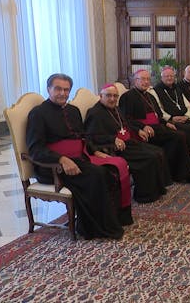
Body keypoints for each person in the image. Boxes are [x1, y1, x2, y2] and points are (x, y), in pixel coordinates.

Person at [26, 74, 125, 240]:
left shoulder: (73, 111)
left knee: (108, 171)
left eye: (66, 90)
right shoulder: (38, 114)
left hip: (78, 160)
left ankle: (104, 222)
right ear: (48, 89)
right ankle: (91, 228)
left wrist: (94, 151)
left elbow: (82, 137)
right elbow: (35, 149)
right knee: (96, 175)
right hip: (51, 167)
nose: (62, 93)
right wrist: (61, 159)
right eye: (58, 89)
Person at [85, 84, 171, 203]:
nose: (112, 99)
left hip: (128, 142)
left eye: (115, 96)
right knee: (149, 157)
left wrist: (138, 130)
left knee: (158, 151)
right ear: (101, 96)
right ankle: (144, 195)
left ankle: (157, 189)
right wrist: (112, 139)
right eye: (108, 95)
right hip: (114, 148)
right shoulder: (95, 113)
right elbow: (91, 137)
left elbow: (126, 124)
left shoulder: (116, 108)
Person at [119, 69, 190, 186]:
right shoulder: (127, 97)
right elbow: (125, 119)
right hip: (144, 132)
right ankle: (187, 175)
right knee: (178, 137)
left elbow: (158, 115)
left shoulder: (150, 96)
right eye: (142, 79)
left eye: (148, 79)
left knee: (180, 136)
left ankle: (178, 173)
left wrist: (166, 123)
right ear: (135, 80)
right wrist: (141, 127)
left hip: (157, 128)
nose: (145, 82)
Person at [153, 67, 190, 166]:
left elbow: (187, 104)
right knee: (185, 130)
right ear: (162, 77)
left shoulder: (177, 88)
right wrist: (171, 118)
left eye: (171, 76)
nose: (169, 78)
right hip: (171, 120)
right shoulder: (156, 90)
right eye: (167, 76)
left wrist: (187, 116)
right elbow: (158, 109)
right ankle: (188, 158)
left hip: (183, 117)